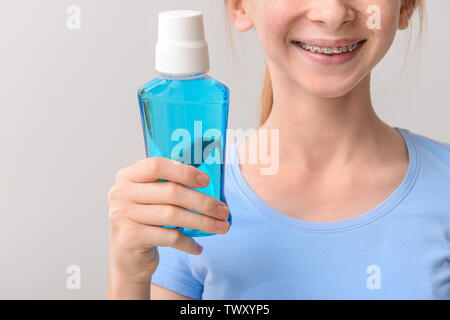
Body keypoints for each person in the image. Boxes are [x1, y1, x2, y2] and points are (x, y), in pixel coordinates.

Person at [108, 0, 450, 299]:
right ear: (240, 5)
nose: (332, 13)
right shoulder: (187, 199)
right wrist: (128, 280)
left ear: (405, 5)